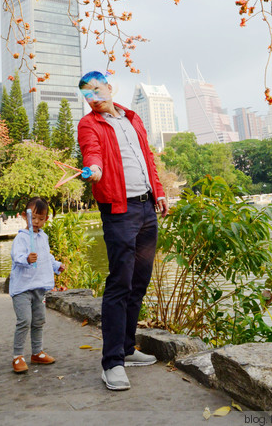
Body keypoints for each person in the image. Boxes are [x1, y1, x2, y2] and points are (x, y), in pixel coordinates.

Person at [77, 71, 168, 391]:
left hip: (146, 208)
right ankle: (112, 362)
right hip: (119, 212)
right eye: (87, 95)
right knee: (119, 283)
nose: (94, 97)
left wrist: (159, 192)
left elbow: (147, 160)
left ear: (110, 87)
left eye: (97, 90)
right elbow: (93, 153)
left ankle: (128, 349)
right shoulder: (89, 125)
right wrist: (94, 170)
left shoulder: (133, 118)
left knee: (139, 281)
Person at [9, 196, 65, 374]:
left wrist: (56, 266)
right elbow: (16, 257)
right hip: (22, 288)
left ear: (46, 219)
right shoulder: (22, 238)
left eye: (41, 219)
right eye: (33, 218)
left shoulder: (43, 237)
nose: (37, 222)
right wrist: (26, 259)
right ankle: (18, 355)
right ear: (25, 217)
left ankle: (37, 352)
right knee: (24, 320)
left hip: (38, 287)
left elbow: (46, 256)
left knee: (39, 320)